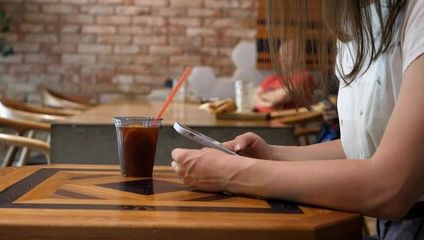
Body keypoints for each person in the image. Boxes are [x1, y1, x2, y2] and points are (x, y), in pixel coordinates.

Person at [172, 0, 424, 239]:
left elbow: (391, 186)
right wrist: (273, 155)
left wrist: (232, 174)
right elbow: (363, 147)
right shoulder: (354, 25)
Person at [253, 40, 315, 112]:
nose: (281, 59)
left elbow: (280, 97)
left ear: (300, 57)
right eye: (280, 55)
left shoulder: (304, 77)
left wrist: (261, 96)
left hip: (282, 121)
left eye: (286, 55)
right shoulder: (272, 78)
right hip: (256, 117)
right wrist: (268, 103)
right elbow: (251, 96)